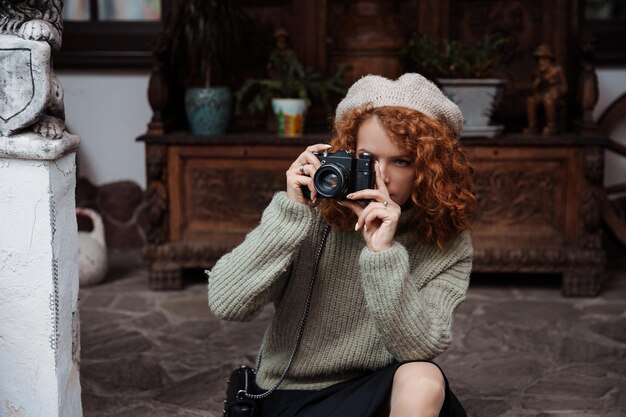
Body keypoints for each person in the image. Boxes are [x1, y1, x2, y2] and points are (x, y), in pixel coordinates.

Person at [208, 73, 477, 417]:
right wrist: (290, 214)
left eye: (401, 161)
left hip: (376, 390)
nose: (382, 177)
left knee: (423, 378)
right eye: (367, 159)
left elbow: (420, 347)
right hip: (291, 395)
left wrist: (382, 253)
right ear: (347, 153)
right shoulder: (313, 214)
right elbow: (227, 304)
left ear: (430, 167)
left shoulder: (446, 240)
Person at [524, 44, 568, 136]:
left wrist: (557, 91)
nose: (541, 62)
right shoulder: (538, 72)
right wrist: (537, 83)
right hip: (542, 92)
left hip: (553, 93)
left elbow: (565, 87)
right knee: (530, 101)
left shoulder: (558, 70)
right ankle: (533, 127)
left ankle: (552, 126)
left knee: (548, 100)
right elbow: (534, 89)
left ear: (549, 60)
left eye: (544, 59)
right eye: (539, 59)